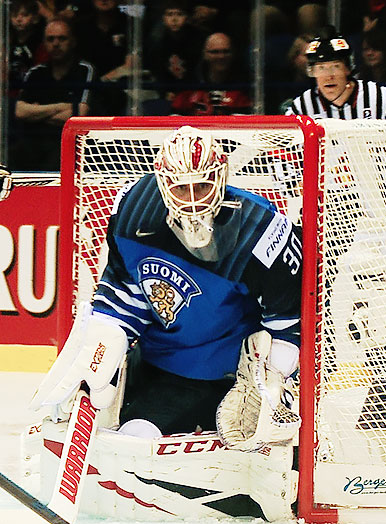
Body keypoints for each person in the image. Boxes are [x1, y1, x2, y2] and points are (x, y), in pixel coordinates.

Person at [29, 125, 302, 453]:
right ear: (162, 182)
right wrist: (106, 335)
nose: (191, 202)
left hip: (229, 373)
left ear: (220, 178)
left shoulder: (260, 231)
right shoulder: (135, 209)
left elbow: (290, 320)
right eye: (179, 189)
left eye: (201, 186)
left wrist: (271, 379)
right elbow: (125, 287)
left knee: (265, 451)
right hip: (160, 363)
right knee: (128, 436)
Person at [13, 19, 95, 171]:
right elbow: (20, 111)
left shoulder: (85, 70)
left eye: (62, 38)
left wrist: (37, 112)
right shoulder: (36, 73)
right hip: (33, 142)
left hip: (69, 143)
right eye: (51, 39)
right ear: (44, 43)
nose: (56, 44)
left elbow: (80, 114)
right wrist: (61, 107)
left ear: (73, 42)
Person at [284, 35, 386, 123]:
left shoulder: (382, 98)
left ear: (348, 69)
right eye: (321, 68)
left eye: (335, 66)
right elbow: (280, 152)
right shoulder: (301, 107)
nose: (328, 76)